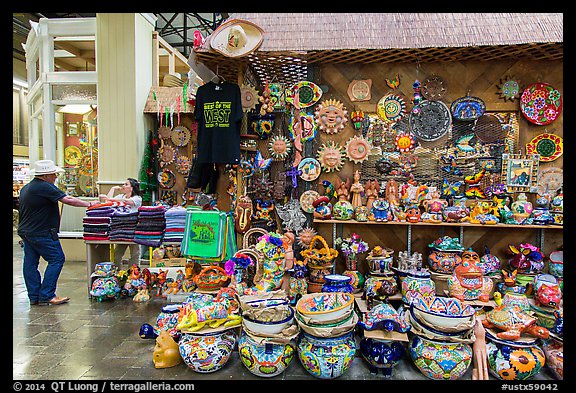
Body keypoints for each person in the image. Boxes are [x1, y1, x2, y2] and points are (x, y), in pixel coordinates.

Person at [18, 159, 99, 306]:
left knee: (30, 263)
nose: (55, 177)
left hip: (27, 231)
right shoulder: (45, 187)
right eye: (53, 174)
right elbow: (67, 199)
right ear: (45, 175)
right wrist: (89, 204)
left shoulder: (27, 188)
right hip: (42, 232)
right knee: (57, 259)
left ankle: (34, 296)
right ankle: (47, 294)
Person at [100, 178, 142, 266]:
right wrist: (113, 189)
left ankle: (133, 274)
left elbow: (128, 202)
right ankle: (119, 274)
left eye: (126, 184)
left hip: (133, 230)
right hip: (121, 229)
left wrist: (112, 199)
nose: (123, 186)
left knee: (135, 255)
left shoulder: (137, 198)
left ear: (132, 188)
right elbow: (108, 201)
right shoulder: (121, 197)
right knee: (117, 255)